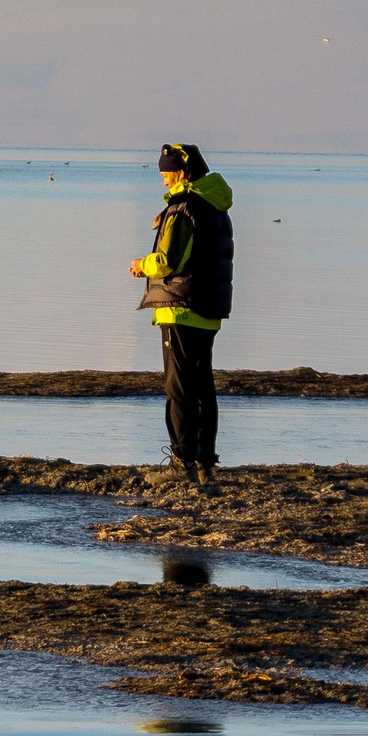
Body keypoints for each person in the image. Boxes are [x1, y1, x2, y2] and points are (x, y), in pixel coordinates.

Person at [128, 142, 234, 487]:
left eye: (167, 174)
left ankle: (181, 462)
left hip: (181, 309)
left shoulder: (183, 208)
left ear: (183, 173)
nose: (163, 182)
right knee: (203, 387)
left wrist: (140, 265)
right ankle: (204, 463)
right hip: (208, 309)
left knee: (179, 390)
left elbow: (168, 261)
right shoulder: (215, 205)